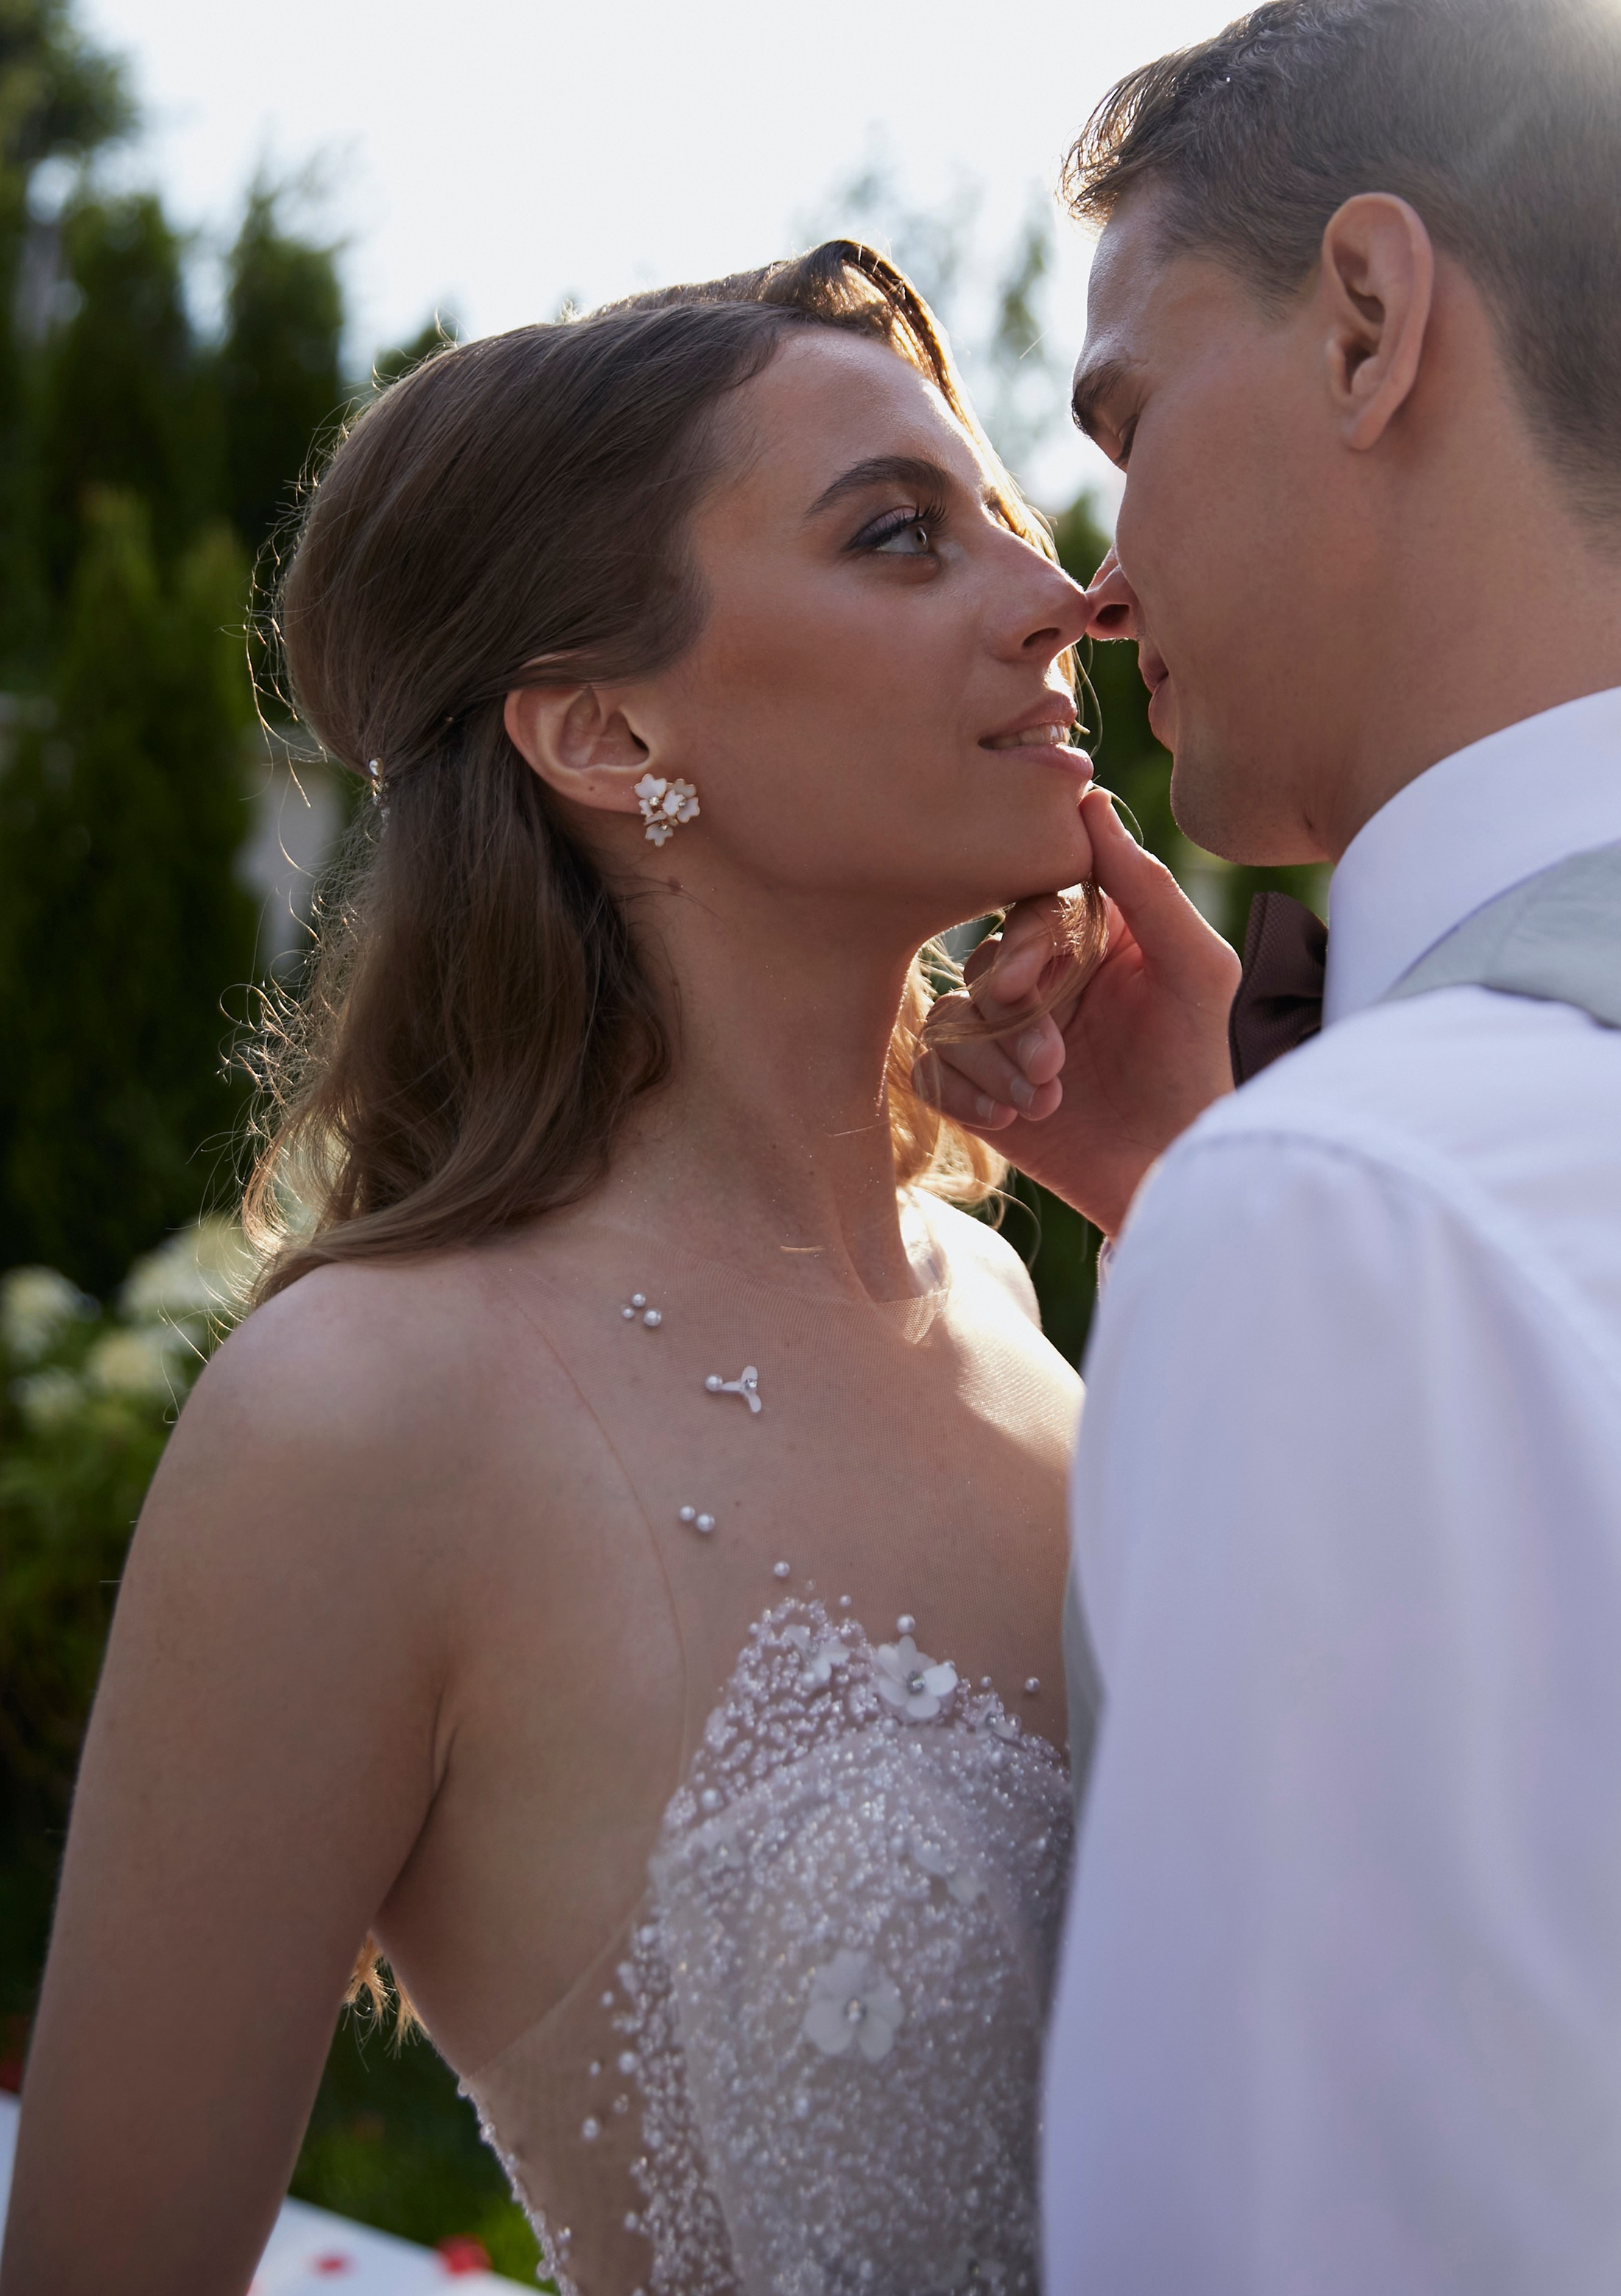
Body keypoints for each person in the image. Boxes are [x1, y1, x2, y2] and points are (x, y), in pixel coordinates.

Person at [922, 0, 1621, 2292]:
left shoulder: (1381, 1217)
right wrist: (1195, 1197)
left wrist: (1274, 1210)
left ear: (1372, 319)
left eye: (1128, 423)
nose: (1104, 588)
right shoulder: (1419, 1184)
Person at [1, 246, 1102, 2296]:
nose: (1059, 600)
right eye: (896, 537)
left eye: (1010, 523)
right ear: (606, 734)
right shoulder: (365, 1417)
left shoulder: (1027, 1307)